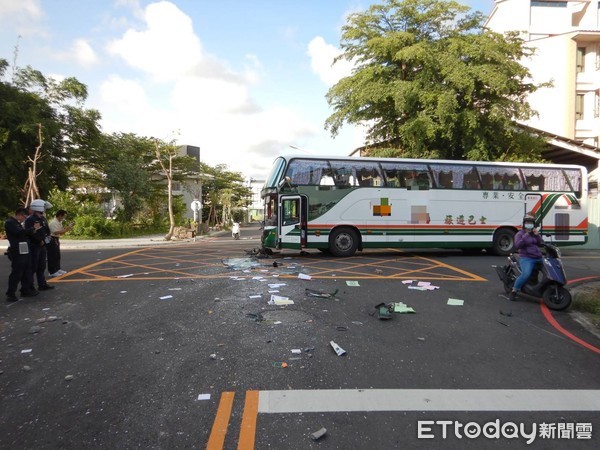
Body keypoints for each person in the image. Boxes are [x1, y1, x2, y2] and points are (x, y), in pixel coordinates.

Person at [4, 207, 39, 302]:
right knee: (17, 272)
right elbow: (18, 233)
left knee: (27, 270)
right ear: (19, 214)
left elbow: (24, 233)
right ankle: (11, 293)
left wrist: (32, 231)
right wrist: (32, 229)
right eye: (24, 217)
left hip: (24, 249)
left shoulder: (18, 223)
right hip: (17, 250)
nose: (24, 219)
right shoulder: (10, 223)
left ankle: (26, 289)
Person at [509, 215, 544, 301]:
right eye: (527, 223)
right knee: (526, 274)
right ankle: (514, 290)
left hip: (538, 257)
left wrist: (537, 236)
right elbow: (517, 246)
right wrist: (526, 236)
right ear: (524, 224)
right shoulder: (520, 234)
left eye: (531, 223)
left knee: (550, 271)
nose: (529, 225)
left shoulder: (534, 233)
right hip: (527, 258)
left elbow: (541, 243)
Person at [24, 199, 55, 292]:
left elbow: (46, 229)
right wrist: (38, 241)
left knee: (41, 266)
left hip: (43, 245)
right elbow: (30, 233)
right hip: (35, 246)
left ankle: (42, 284)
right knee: (33, 266)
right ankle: (30, 286)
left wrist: (48, 237)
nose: (44, 209)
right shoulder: (30, 219)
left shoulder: (42, 218)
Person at [47, 209, 72, 277]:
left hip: (56, 239)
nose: (63, 218)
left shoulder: (59, 222)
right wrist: (66, 229)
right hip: (52, 239)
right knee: (52, 256)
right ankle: (52, 271)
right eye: (63, 217)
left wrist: (68, 228)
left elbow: (61, 232)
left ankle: (57, 269)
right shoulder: (53, 222)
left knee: (57, 255)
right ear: (60, 216)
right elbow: (56, 232)